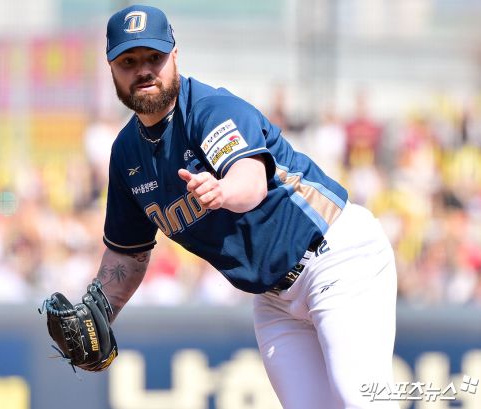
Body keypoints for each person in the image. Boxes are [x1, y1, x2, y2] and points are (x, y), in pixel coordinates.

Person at [93, 5, 398, 408]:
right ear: (112, 69)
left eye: (154, 57)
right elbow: (127, 252)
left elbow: (250, 181)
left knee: (358, 399)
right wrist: (97, 312)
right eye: (128, 62)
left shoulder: (209, 109)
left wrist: (222, 191)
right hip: (273, 297)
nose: (144, 70)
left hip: (334, 255)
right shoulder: (126, 153)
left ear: (175, 56)